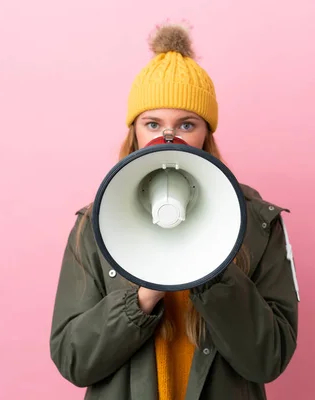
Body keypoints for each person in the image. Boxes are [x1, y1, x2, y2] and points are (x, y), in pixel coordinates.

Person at [49, 21, 300, 400]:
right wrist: (140, 297)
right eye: (153, 123)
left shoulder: (257, 223)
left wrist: (211, 271)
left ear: (206, 133)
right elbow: (73, 359)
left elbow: (270, 359)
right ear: (134, 131)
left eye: (187, 123)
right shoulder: (94, 226)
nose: (169, 137)